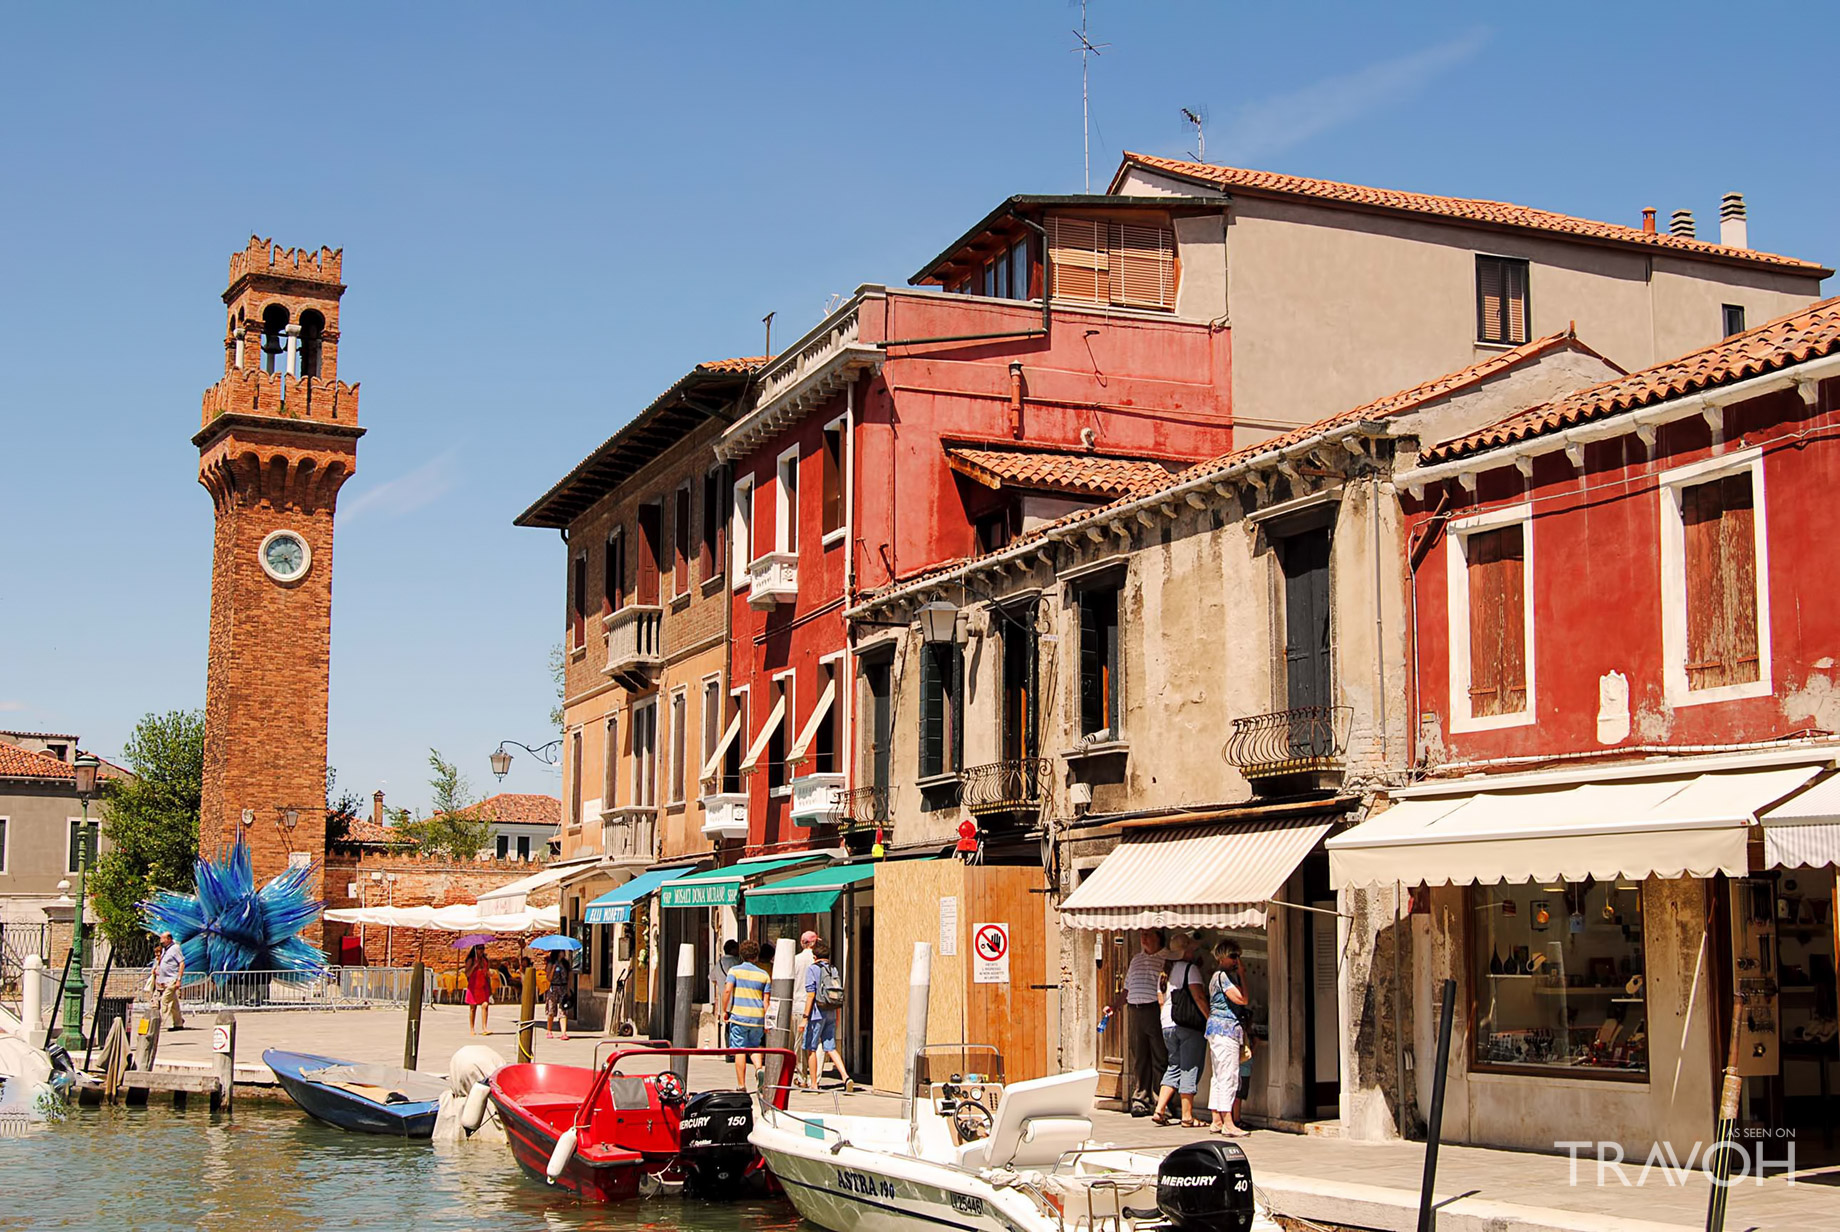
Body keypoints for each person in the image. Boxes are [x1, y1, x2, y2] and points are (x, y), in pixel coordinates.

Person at [1107, 928, 1167, 1115]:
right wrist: (1115, 1006)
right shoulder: (1136, 959)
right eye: (1142, 935)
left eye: (1148, 934)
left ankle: (1160, 1101)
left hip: (1154, 1010)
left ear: (1158, 937)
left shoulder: (1166, 958)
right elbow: (1127, 988)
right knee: (1140, 1056)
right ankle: (1140, 1098)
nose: (1143, 938)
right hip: (1135, 1009)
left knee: (1159, 1056)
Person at [1150, 932, 1207, 1127]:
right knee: (1190, 1066)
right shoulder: (1190, 970)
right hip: (1187, 1024)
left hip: (1166, 1024)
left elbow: (1160, 1001)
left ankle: (1159, 1109)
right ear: (1186, 951)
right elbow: (1198, 997)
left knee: (1173, 1066)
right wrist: (1210, 1019)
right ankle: (1187, 1116)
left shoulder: (1164, 973)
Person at [1205, 939, 1252, 1137]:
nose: (1236, 960)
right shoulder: (1223, 977)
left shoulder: (1217, 976)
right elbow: (1243, 999)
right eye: (1233, 956)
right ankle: (1228, 1121)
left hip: (1217, 1030)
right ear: (1222, 957)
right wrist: (1242, 975)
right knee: (1229, 1076)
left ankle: (1216, 1119)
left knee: (1218, 1075)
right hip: (1226, 1030)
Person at [801, 939, 855, 1092]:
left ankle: (813, 1084)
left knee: (811, 1048)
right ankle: (845, 1077)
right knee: (830, 1047)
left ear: (814, 956)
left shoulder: (812, 969)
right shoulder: (833, 969)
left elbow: (811, 994)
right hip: (831, 1011)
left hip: (816, 1013)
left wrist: (805, 1018)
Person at [720, 939, 771, 1088]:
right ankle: (759, 1069)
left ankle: (741, 1085)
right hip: (757, 1018)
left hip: (739, 1016)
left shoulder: (734, 971)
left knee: (740, 1050)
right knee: (754, 1047)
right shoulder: (764, 975)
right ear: (756, 956)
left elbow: (728, 990)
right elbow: (766, 1001)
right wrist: (767, 1020)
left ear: (741, 954)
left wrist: (725, 1010)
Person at [791, 931, 819, 1086]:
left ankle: (802, 1076)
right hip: (817, 1006)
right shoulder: (818, 960)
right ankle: (817, 1077)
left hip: (799, 1005)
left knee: (800, 1044)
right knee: (817, 1042)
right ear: (813, 943)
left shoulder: (795, 960)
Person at [153, 931, 186, 1030]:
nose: (161, 941)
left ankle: (159, 1022)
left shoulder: (175, 948)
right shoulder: (165, 950)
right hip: (165, 980)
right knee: (174, 1004)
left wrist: (179, 979)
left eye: (163, 938)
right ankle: (178, 1023)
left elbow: (182, 963)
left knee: (165, 1001)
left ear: (169, 939)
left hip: (172, 979)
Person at [544, 948, 574, 1040]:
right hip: (554, 988)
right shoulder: (551, 963)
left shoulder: (565, 964)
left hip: (563, 988)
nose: (563, 953)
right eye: (561, 951)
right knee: (551, 1010)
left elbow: (569, 978)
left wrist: (568, 989)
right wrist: (553, 967)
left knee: (563, 1010)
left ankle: (563, 1033)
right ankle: (549, 1030)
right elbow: (548, 978)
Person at [464, 944, 492, 1036]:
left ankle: (484, 1027)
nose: (481, 951)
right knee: (473, 1008)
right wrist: (474, 966)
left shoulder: (484, 961)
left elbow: (486, 972)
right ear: (475, 950)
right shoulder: (471, 960)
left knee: (485, 1005)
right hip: (473, 986)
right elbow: (467, 974)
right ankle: (472, 1028)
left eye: (483, 949)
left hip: (483, 986)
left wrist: (488, 974)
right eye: (480, 949)